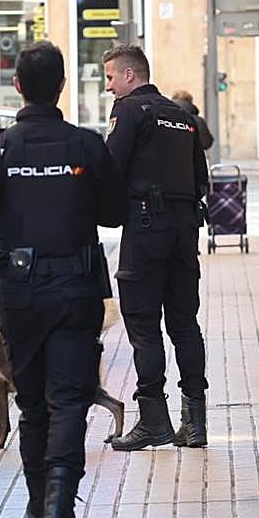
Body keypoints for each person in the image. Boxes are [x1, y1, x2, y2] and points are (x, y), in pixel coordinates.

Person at [0, 40, 127, 518]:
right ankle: (59, 505)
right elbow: (115, 213)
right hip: (76, 291)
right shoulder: (87, 147)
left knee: (34, 407)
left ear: (18, 86)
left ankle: (38, 498)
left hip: (21, 296)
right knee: (69, 401)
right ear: (62, 86)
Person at [103, 44, 209, 450]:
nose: (109, 86)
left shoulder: (130, 111)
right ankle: (194, 422)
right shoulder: (183, 117)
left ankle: (153, 420)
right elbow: (202, 180)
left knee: (143, 324)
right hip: (184, 231)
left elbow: (111, 169)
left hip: (146, 229)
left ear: (130, 75)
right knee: (184, 324)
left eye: (111, 77)